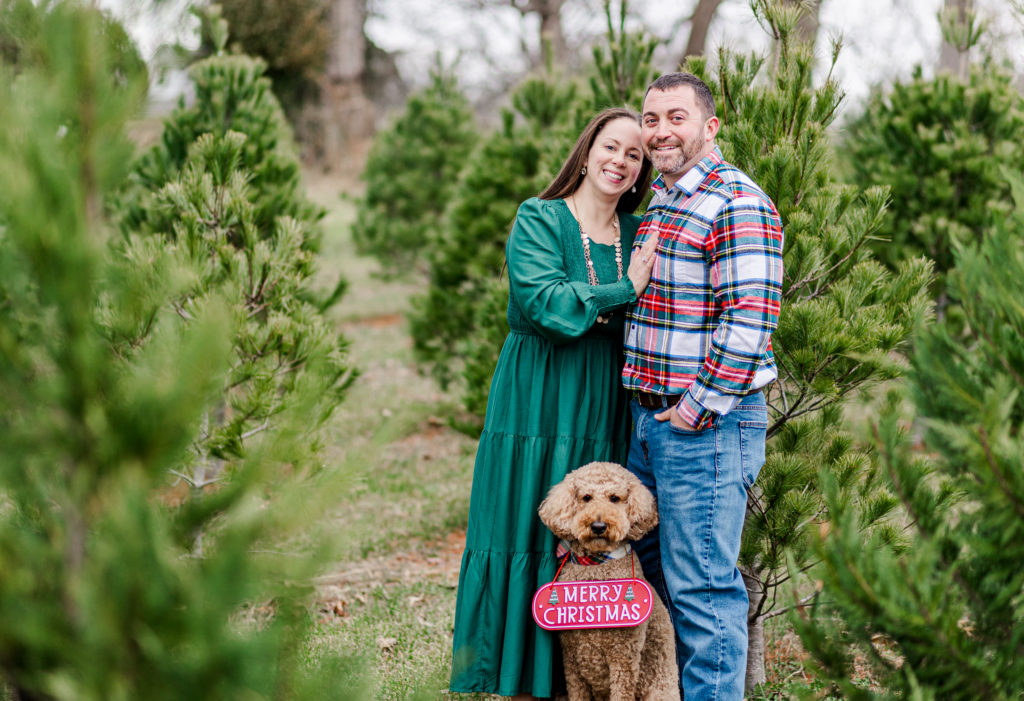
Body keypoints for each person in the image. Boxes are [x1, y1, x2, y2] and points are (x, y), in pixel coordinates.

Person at [450, 107, 658, 700]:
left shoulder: (639, 232)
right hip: (536, 391)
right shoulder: (539, 218)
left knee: (590, 518)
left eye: (634, 155)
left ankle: (577, 679)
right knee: (522, 518)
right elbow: (547, 304)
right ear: (587, 150)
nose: (620, 161)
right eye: (611, 147)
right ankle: (512, 674)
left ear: (642, 170)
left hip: (600, 393)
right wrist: (625, 291)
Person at [622, 73, 784, 699]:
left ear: (709, 126)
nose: (661, 130)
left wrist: (696, 407)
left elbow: (749, 322)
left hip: (706, 425)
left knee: (703, 587)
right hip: (651, 423)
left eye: (676, 117)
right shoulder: (663, 199)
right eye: (651, 117)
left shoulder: (735, 202)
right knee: (660, 575)